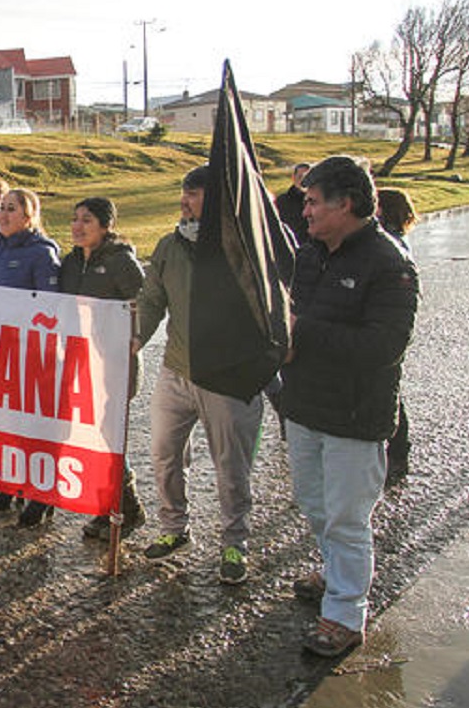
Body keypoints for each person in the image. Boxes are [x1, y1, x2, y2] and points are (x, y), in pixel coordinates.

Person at [281, 156, 419, 657]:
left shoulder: (389, 264)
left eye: (314, 202)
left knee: (347, 518)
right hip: (304, 407)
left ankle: (344, 614)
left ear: (347, 204)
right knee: (315, 504)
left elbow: (384, 347)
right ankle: (333, 569)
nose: (305, 211)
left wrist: (302, 333)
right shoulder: (311, 254)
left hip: (355, 417)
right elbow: (296, 316)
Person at [136, 165, 265, 585]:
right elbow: (152, 300)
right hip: (176, 370)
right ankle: (174, 528)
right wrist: (135, 337)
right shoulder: (169, 245)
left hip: (227, 376)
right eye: (184, 193)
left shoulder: (244, 245)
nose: (184, 201)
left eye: (193, 194)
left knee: (231, 465)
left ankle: (234, 542)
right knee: (164, 454)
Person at [58, 197, 147, 542]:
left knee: (110, 438)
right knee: (92, 438)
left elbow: (146, 302)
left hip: (114, 362)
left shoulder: (120, 261)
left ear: (106, 226)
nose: (77, 226)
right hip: (81, 362)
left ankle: (128, 508)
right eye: (75, 219)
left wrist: (135, 336)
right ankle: (107, 506)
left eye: (87, 220)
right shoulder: (70, 262)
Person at [0, 187, 61, 526]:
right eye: (2, 207)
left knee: (34, 426)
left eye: (12, 208)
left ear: (29, 217)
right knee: (6, 422)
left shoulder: (42, 253)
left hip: (31, 353)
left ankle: (42, 494)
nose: (3, 214)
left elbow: (51, 306)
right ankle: (11, 482)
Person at [376, 187, 418, 486]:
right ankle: (397, 451)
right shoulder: (392, 237)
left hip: (387, 326)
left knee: (389, 390)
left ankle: (398, 452)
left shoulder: (390, 243)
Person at [275, 163, 311, 245]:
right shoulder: (281, 201)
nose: (303, 181)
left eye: (307, 178)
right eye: (300, 177)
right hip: (286, 247)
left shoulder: (317, 202)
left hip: (311, 248)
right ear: (293, 177)